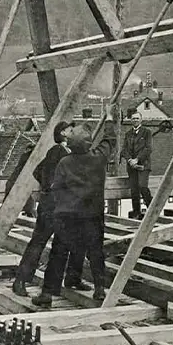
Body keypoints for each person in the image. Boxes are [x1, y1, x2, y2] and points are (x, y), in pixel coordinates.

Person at [35, 118, 117, 306]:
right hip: (92, 216)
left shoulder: (64, 163)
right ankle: (99, 290)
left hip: (68, 216)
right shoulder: (98, 159)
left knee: (58, 254)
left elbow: (56, 189)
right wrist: (109, 120)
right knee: (96, 252)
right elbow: (109, 141)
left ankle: (47, 294)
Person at [13, 121, 89, 298]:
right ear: (63, 133)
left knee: (66, 244)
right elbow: (45, 176)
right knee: (39, 242)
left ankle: (63, 283)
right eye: (71, 130)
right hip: (54, 206)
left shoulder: (67, 153)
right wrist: (51, 188)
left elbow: (37, 171)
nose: (74, 132)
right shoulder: (57, 152)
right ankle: (21, 281)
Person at [122, 111, 153, 219]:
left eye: (137, 118)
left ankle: (152, 210)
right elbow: (124, 150)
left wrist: (137, 159)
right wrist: (130, 160)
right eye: (133, 119)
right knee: (134, 190)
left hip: (143, 165)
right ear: (131, 120)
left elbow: (148, 149)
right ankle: (136, 212)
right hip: (131, 167)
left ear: (141, 120)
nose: (135, 120)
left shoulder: (147, 132)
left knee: (143, 186)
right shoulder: (128, 134)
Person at [4, 144, 37, 218]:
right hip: (19, 179)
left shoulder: (25, 156)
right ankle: (30, 212)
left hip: (17, 179)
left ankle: (30, 211)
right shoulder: (28, 157)